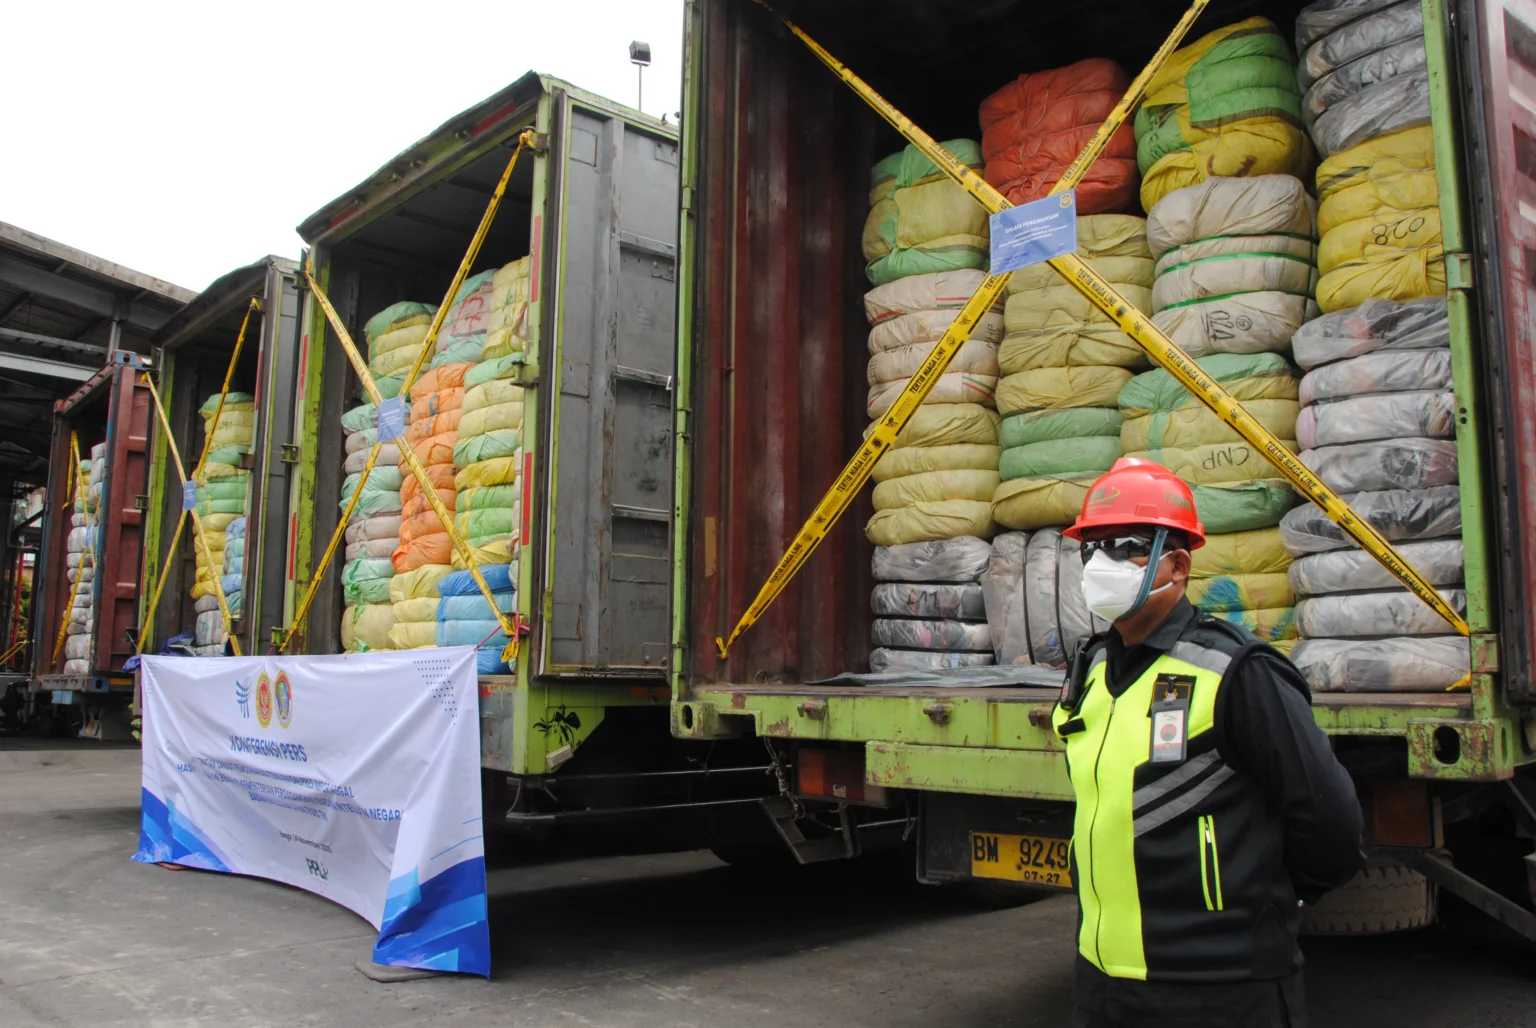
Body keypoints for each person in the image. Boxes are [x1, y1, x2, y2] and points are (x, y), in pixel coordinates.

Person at [1051, 457, 1364, 1028]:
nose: (1102, 562)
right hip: (1102, 984)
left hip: (1218, 989)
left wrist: (1265, 900)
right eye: (1091, 546)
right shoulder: (1090, 672)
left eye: (1126, 546)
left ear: (1178, 564)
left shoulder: (1238, 672)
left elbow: (1332, 823)